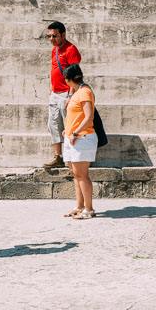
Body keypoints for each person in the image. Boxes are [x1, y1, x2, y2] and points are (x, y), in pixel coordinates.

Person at [60, 63, 99, 220]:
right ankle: (79, 206)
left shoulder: (84, 92)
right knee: (75, 174)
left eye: (66, 80)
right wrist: (68, 130)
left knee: (82, 175)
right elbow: (75, 117)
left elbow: (89, 116)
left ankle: (89, 209)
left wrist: (75, 132)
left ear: (70, 79)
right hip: (72, 137)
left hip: (82, 137)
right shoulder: (77, 92)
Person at [42, 21, 82, 169]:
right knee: (52, 125)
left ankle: (73, 158)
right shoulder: (55, 50)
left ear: (63, 35)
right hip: (55, 93)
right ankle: (58, 157)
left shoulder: (71, 49)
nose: (51, 39)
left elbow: (76, 74)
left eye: (54, 36)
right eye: (49, 36)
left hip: (66, 93)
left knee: (69, 126)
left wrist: (71, 95)